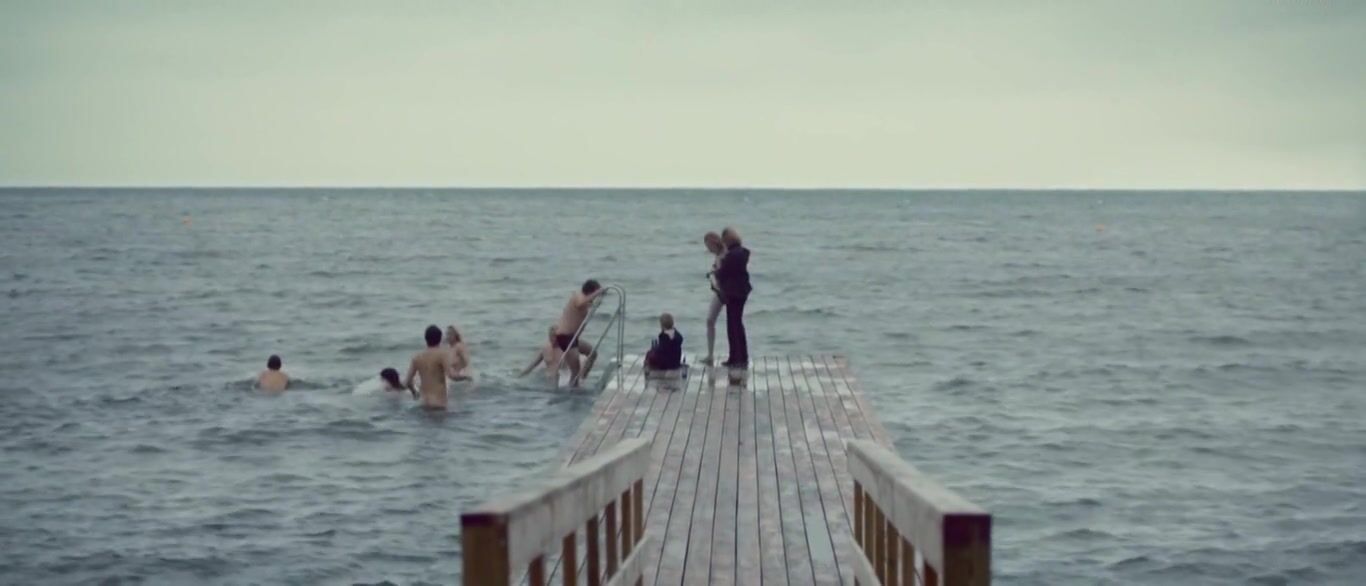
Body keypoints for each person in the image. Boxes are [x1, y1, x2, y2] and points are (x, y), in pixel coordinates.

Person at [554, 279, 605, 386]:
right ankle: (573, 390)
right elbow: (580, 303)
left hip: (572, 338)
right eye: (594, 293)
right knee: (575, 370)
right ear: (591, 291)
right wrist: (598, 292)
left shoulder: (586, 303)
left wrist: (598, 300)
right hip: (564, 337)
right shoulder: (578, 297)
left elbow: (586, 307)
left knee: (592, 353)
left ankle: (582, 379)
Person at [716, 227, 752, 368]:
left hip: (733, 292)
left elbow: (723, 273)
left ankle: (735, 357)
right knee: (738, 324)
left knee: (732, 326)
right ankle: (742, 356)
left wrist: (717, 270)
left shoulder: (731, 255)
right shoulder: (741, 253)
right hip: (742, 291)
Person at [404, 325, 457, 409]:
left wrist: (414, 392)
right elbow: (452, 376)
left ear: (426, 339)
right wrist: (466, 377)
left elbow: (407, 382)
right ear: (440, 339)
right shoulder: (442, 354)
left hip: (424, 404)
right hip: (438, 404)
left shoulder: (417, 357)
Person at [702, 231, 726, 366]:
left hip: (726, 291)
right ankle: (710, 354)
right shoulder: (717, 255)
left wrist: (716, 272)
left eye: (709, 246)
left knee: (733, 324)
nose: (709, 250)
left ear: (714, 243)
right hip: (718, 291)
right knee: (710, 320)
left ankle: (736, 354)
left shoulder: (724, 254)